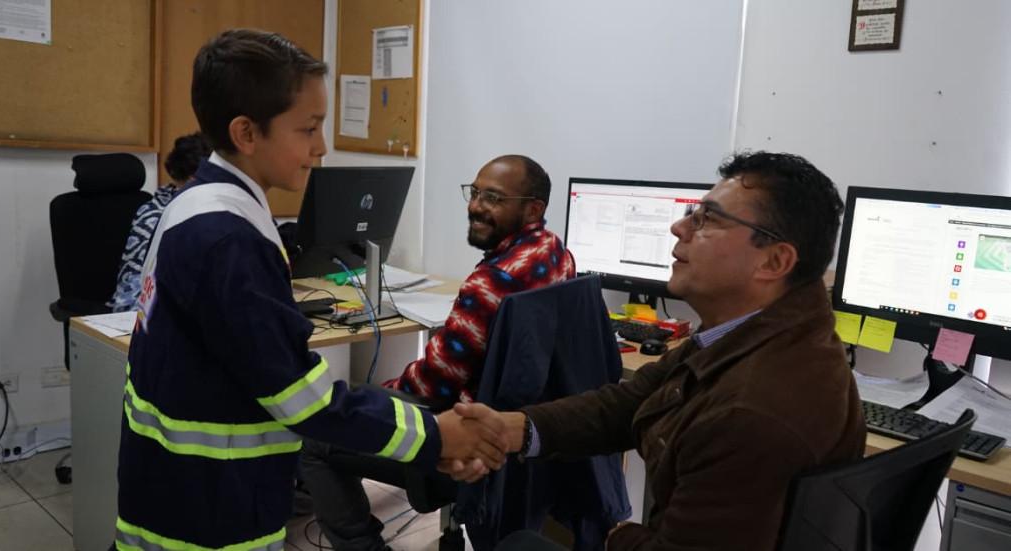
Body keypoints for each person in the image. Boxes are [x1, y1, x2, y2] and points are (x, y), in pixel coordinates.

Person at [114, 29, 504, 551]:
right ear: (247, 133)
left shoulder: (200, 204)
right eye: (309, 128)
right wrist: (434, 437)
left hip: (171, 490)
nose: (321, 147)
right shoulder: (228, 239)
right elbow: (303, 399)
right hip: (209, 511)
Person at [445, 151, 867, 550]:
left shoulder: (751, 412)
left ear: (774, 262)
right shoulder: (753, 334)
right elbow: (628, 402)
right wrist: (509, 430)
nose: (679, 228)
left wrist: (613, 534)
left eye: (707, 219)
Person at [297, 154, 577, 550]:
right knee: (362, 400)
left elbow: (432, 385)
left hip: (465, 440)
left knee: (318, 433)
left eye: (494, 198)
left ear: (533, 209)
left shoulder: (491, 282)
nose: (476, 206)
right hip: (517, 436)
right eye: (476, 192)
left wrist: (381, 393)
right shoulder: (557, 254)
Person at [108, 132, 211, 312]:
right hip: (141, 318)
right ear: (195, 180)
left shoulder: (224, 210)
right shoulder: (155, 217)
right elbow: (133, 297)